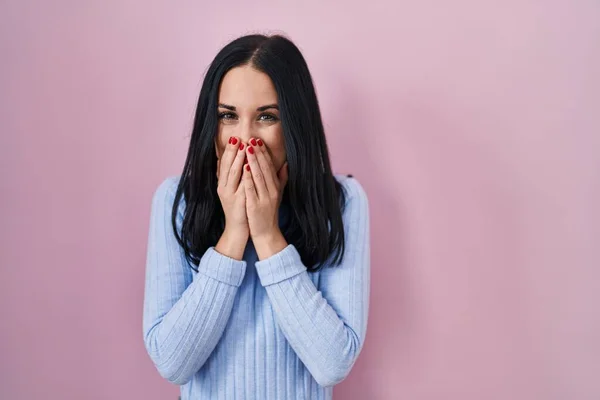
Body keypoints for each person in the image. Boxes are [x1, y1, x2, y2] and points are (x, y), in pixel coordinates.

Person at [143, 34, 370, 400]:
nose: (245, 138)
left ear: (295, 125)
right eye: (228, 116)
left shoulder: (342, 202)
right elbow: (172, 362)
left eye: (266, 117)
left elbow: (332, 364)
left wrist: (267, 235)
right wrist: (234, 234)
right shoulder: (176, 200)